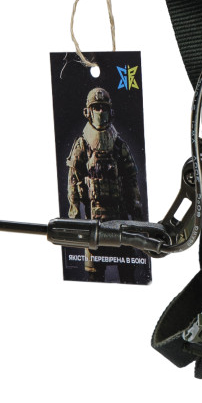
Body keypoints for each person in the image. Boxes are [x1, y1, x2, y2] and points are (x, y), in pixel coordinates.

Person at [67, 87, 142, 279]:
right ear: (88, 111)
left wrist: (136, 213)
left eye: (104, 107)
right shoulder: (82, 145)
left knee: (128, 274)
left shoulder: (118, 145)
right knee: (95, 275)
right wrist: (74, 216)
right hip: (94, 223)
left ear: (110, 111)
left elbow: (131, 179)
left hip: (121, 221)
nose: (100, 112)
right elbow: (73, 181)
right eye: (96, 107)